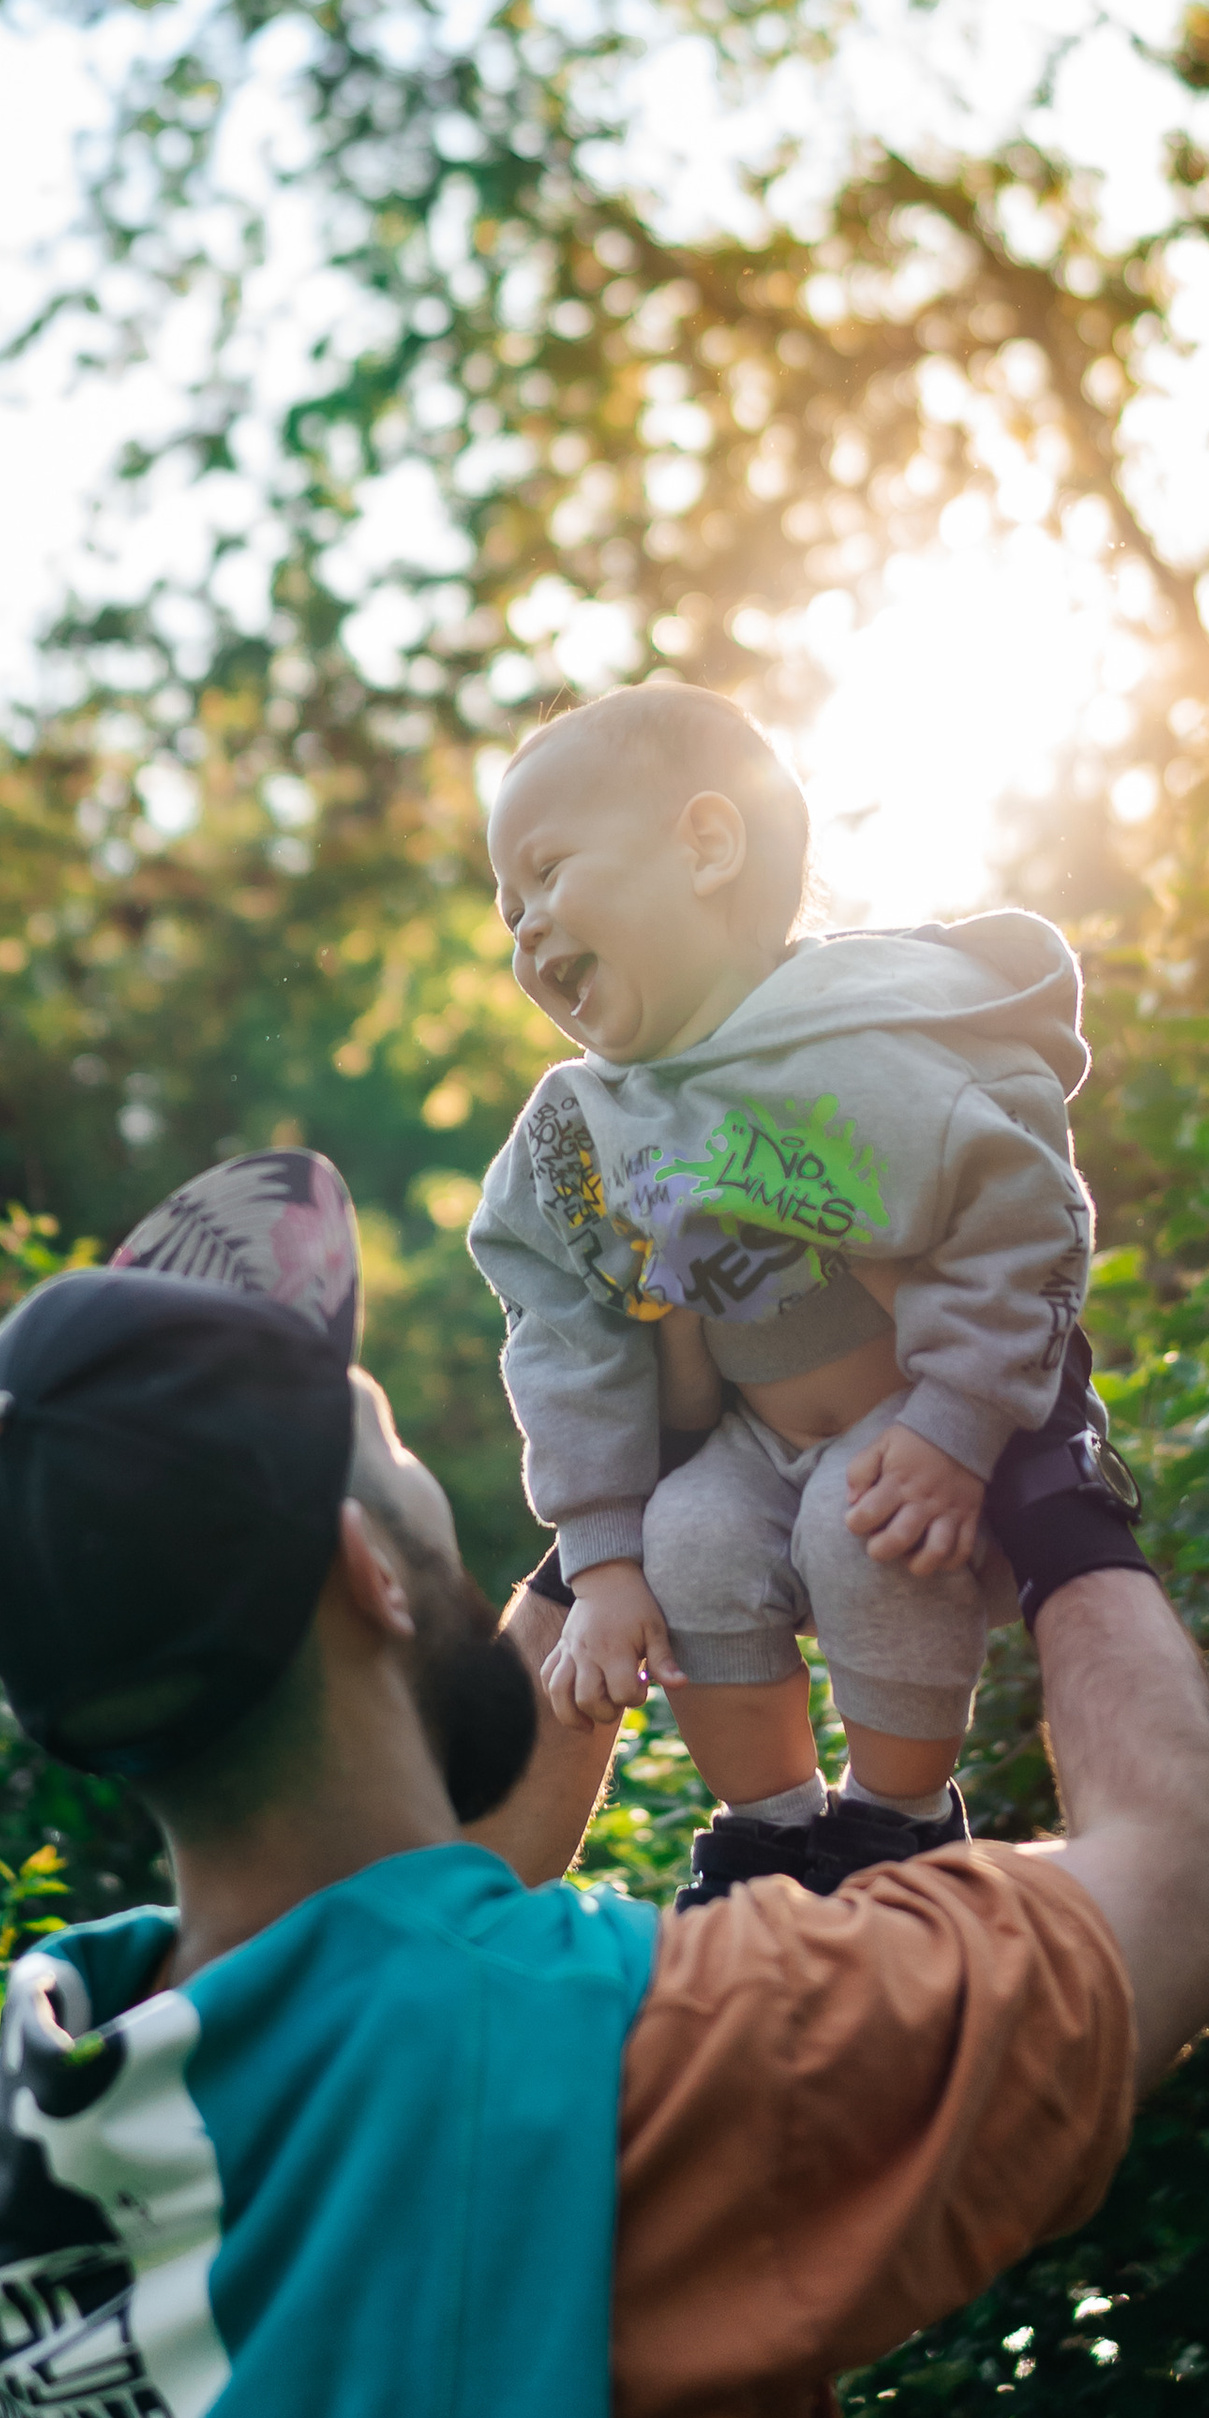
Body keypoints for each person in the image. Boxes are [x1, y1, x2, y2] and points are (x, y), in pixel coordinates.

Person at [0, 1145, 1209, 2418]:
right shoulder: (635, 2071)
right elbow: (1187, 1882)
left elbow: (411, 1911)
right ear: (368, 1567)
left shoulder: (31, 2136)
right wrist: (1049, 1463)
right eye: (389, 1442)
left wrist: (624, 1509)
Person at [471, 684, 1101, 1896]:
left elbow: (1022, 1210)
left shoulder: (867, 1044)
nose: (527, 926)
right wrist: (600, 1559)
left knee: (861, 1533)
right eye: (509, 909)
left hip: (906, 1417)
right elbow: (560, 1333)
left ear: (706, 845)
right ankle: (768, 1829)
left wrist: (957, 1422)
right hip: (746, 1437)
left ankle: (899, 1818)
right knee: (689, 1539)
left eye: (547, 874)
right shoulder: (582, 1128)